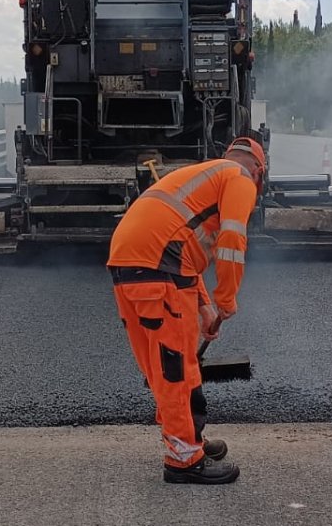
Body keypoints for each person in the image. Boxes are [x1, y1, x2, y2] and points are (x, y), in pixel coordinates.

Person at [106, 137, 267, 485]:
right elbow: (232, 241)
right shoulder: (240, 178)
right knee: (174, 367)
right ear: (259, 171)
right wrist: (226, 299)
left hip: (130, 264)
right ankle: (183, 460)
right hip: (158, 269)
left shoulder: (205, 176)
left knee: (168, 362)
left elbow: (183, 251)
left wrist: (206, 307)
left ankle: (188, 437)